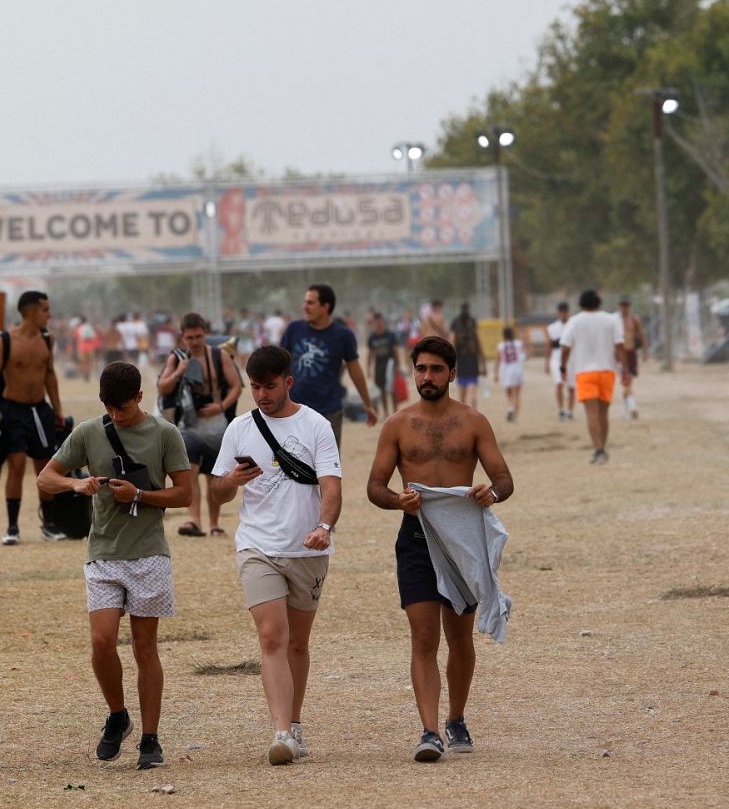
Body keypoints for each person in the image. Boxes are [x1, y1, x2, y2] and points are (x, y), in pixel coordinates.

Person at [37, 362, 195, 770]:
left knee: (145, 647)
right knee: (102, 641)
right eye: (108, 407)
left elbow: (184, 495)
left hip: (149, 553)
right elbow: (45, 478)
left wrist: (140, 495)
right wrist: (75, 483)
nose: (115, 415)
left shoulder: (165, 434)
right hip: (103, 554)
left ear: (139, 397)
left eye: (121, 408)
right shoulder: (89, 432)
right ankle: (118, 714)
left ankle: (150, 739)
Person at [367, 336, 514, 762]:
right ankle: (429, 731)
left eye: (435, 369)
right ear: (412, 372)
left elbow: (504, 479)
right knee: (424, 636)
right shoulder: (397, 425)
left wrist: (491, 493)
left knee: (460, 638)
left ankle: (456, 718)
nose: (427, 377)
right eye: (420, 369)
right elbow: (375, 486)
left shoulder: (473, 422)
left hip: (461, 542)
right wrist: (398, 500)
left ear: (451, 373)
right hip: (415, 539)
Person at [209, 346, 342, 766]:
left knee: (297, 643)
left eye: (269, 386)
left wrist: (324, 527)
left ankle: (296, 726)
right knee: (272, 637)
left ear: (288, 382)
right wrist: (232, 480)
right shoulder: (239, 428)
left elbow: (332, 486)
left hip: (307, 548)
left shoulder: (316, 425)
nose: (262, 395)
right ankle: (281, 733)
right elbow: (217, 492)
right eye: (255, 387)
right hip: (257, 547)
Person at [0, 291, 67, 545]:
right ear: (31, 312)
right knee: (16, 465)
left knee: (46, 466)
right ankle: (12, 527)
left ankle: (49, 523)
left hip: (39, 410)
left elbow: (50, 375)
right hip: (12, 411)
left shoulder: (47, 339)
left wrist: (58, 410)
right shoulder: (6, 340)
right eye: (45, 310)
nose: (49, 315)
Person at [157, 313, 242, 538]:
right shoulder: (177, 358)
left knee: (215, 475)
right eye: (189, 337)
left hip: (216, 424)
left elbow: (236, 386)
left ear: (205, 334)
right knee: (190, 471)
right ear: (182, 337)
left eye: (198, 336)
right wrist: (178, 372)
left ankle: (214, 524)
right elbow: (162, 388)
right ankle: (194, 520)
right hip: (189, 424)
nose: (194, 341)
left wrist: (220, 406)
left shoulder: (219, 355)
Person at [279, 284, 376, 447]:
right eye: (305, 302)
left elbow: (355, 372)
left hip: (329, 411)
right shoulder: (294, 329)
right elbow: (279, 364)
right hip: (294, 409)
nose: (304, 306)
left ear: (325, 307)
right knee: (291, 459)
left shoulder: (343, 335)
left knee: (328, 461)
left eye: (310, 303)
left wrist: (368, 405)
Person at [561, 290, 628, 464]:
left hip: (584, 373)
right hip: (607, 371)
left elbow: (566, 347)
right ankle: (602, 448)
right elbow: (620, 346)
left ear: (581, 303)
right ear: (599, 302)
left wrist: (563, 366)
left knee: (591, 413)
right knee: (603, 413)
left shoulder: (575, 321)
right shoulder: (610, 320)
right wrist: (625, 370)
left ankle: (598, 450)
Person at [368, 312, 404, 419]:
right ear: (374, 323)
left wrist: (398, 366)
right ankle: (386, 412)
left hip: (390, 364)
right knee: (381, 390)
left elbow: (396, 351)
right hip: (378, 366)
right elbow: (370, 354)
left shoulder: (390, 335)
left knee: (392, 390)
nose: (379, 324)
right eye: (377, 322)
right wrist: (368, 368)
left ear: (383, 322)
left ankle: (395, 411)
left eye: (380, 321)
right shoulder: (372, 337)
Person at [617, 297, 648, 420]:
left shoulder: (634, 320)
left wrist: (645, 351)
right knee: (626, 381)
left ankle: (626, 409)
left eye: (626, 306)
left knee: (628, 381)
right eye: (622, 306)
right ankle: (632, 406)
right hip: (620, 354)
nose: (624, 308)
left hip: (631, 352)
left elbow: (642, 334)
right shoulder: (615, 320)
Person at [450, 304, 484, 409]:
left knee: (462, 395)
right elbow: (478, 341)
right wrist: (483, 361)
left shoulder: (455, 322)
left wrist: (452, 361)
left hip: (461, 360)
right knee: (473, 392)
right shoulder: (472, 321)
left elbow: (452, 341)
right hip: (473, 360)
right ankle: (474, 413)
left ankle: (462, 415)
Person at [547, 302, 575, 421]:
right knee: (559, 383)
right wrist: (546, 361)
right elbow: (549, 345)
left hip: (572, 359)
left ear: (568, 312)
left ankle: (570, 411)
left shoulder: (573, 326)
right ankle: (561, 409)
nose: (564, 314)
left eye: (565, 312)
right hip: (557, 359)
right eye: (562, 312)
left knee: (571, 386)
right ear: (558, 313)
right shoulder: (552, 328)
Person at [494, 326, 526, 423]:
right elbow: (524, 353)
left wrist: (496, 373)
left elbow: (498, 360)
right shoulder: (518, 343)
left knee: (509, 393)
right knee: (517, 394)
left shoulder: (500, 346)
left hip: (506, 371)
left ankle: (510, 407)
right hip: (517, 370)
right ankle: (515, 415)